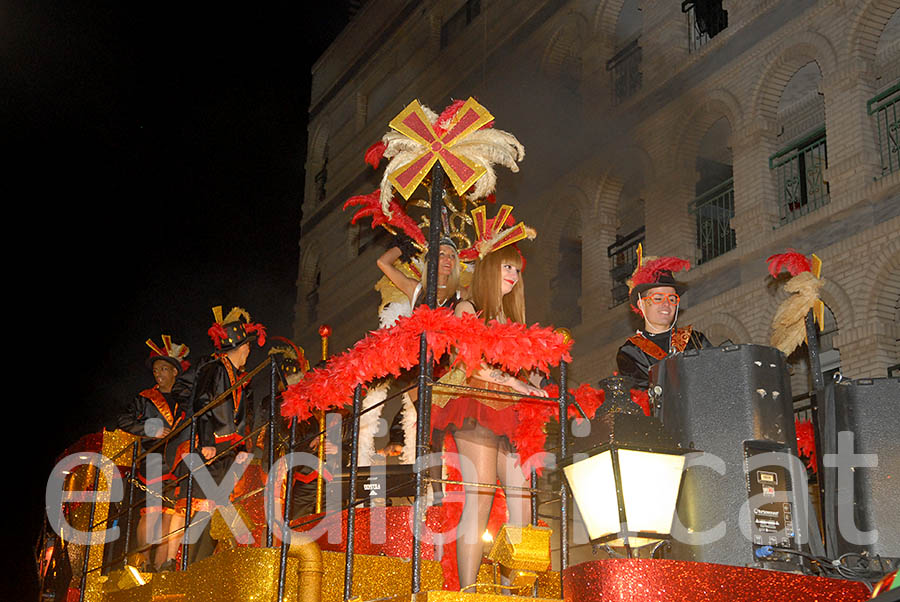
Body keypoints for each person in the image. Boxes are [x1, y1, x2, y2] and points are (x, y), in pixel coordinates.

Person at [429, 207, 547, 589]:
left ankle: (517, 589)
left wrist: (532, 378)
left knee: (523, 503)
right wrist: (517, 385)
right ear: (488, 268)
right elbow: (471, 363)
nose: (513, 276)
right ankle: (466, 592)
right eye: (506, 267)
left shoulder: (511, 323)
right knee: (478, 500)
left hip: (509, 413)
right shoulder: (467, 308)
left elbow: (519, 370)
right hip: (475, 404)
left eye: (517, 270)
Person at [172, 306, 266, 563]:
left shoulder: (239, 378)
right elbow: (203, 404)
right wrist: (207, 441)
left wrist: (244, 448)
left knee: (217, 510)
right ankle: (189, 567)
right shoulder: (213, 369)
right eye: (247, 347)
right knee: (201, 508)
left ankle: (203, 564)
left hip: (228, 452)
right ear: (240, 347)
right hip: (211, 449)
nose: (249, 351)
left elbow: (240, 419)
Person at [117, 335, 190, 572]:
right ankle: (143, 562)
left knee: (171, 514)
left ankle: (161, 566)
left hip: (177, 460)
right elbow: (123, 420)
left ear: (175, 372)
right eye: (156, 369)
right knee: (151, 513)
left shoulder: (185, 397)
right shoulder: (144, 398)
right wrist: (151, 429)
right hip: (153, 459)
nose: (158, 373)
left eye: (163, 369)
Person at [615, 247, 711, 389]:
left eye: (672, 299)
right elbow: (643, 397)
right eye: (658, 298)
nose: (666, 304)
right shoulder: (631, 352)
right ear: (641, 304)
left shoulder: (695, 339)